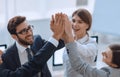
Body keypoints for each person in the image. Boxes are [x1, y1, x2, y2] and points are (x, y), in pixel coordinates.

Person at [0, 13, 65, 77]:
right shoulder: (7, 56)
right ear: (14, 36)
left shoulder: (37, 40)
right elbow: (33, 65)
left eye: (29, 28)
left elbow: (56, 45)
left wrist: (63, 31)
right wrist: (56, 35)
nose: (29, 33)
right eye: (23, 31)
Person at [62, 8, 97, 77]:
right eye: (73, 21)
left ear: (87, 25)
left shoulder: (92, 44)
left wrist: (69, 36)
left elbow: (84, 51)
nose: (75, 24)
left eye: (80, 22)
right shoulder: (70, 40)